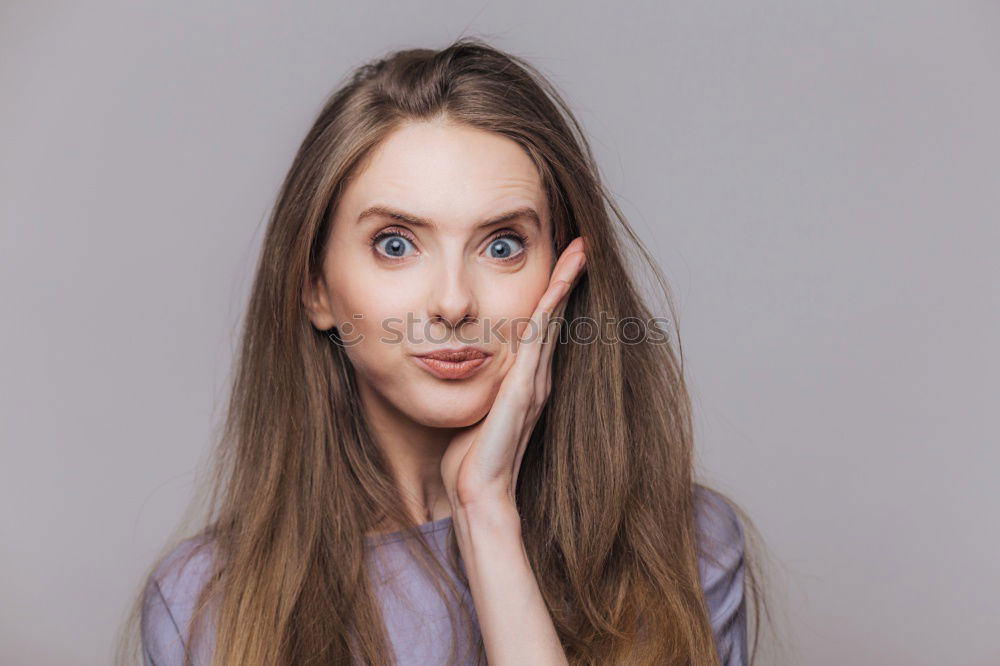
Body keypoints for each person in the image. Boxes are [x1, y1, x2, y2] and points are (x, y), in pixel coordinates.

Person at [120, 38, 765, 666]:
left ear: (563, 269)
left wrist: (486, 516)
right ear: (314, 286)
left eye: (503, 245)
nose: (454, 304)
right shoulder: (204, 607)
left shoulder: (686, 548)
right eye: (396, 244)